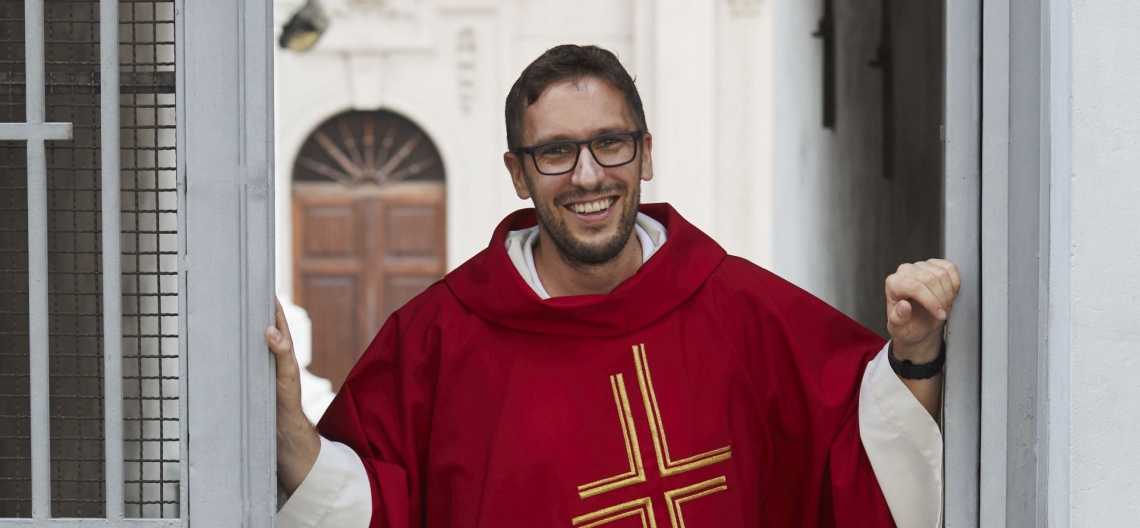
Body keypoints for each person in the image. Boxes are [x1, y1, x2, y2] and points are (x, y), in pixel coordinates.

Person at [268, 45, 956, 527]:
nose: (589, 175)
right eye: (556, 152)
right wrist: (291, 428)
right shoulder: (435, 341)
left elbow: (864, 451)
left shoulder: (745, 311)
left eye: (611, 143)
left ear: (645, 152)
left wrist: (915, 349)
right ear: (518, 173)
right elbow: (366, 503)